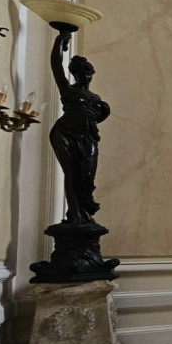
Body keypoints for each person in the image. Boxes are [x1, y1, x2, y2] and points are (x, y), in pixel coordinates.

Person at [49, 27, 110, 225]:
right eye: (81, 73)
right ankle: (76, 215)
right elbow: (56, 65)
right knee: (71, 173)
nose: (85, 76)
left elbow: (98, 117)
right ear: (75, 74)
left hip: (88, 138)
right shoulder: (68, 90)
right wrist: (61, 39)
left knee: (87, 177)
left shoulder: (96, 98)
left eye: (88, 73)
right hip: (65, 134)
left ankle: (82, 212)